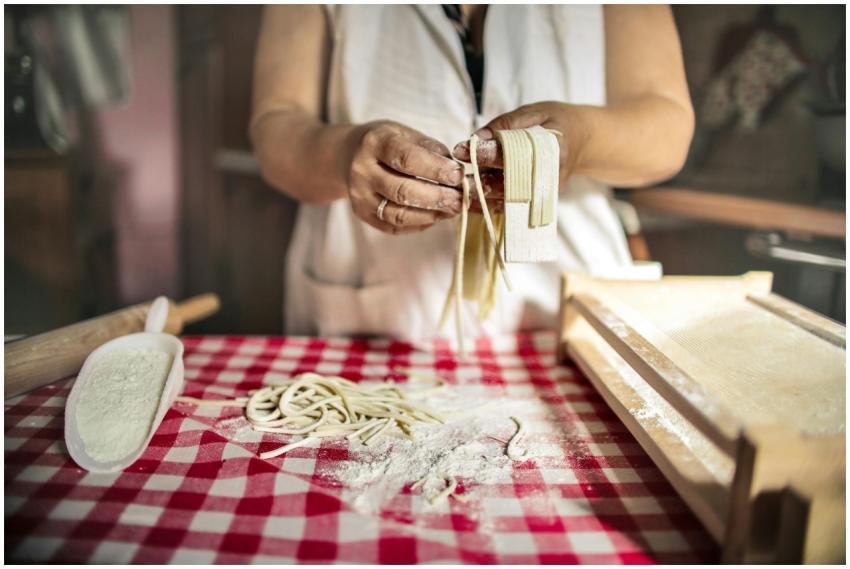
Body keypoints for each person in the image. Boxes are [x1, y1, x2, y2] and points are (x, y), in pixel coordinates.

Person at [251, 5, 693, 342]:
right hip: (374, 313)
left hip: (566, 313)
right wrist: (344, 154)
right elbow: (276, 126)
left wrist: (583, 138)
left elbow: (668, 130)